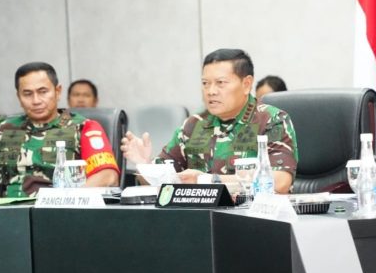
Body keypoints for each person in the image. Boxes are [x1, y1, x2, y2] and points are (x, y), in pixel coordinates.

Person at [121, 49, 298, 194]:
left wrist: (206, 180)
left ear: (246, 84)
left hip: (256, 218)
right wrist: (144, 166)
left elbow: (280, 181)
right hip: (203, 220)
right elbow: (157, 183)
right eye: (205, 83)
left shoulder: (270, 119)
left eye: (220, 83)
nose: (211, 91)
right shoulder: (194, 125)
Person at [0, 62, 119, 198]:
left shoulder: (83, 127)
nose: (36, 101)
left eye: (43, 92)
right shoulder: (6, 129)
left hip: (60, 211)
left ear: (57, 91)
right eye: (27, 94)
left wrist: (70, 199)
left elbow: (108, 176)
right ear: (18, 97)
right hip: (11, 214)